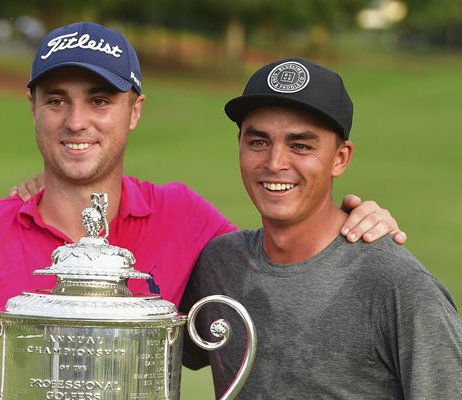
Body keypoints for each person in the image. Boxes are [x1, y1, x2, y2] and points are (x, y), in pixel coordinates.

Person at [0, 22, 404, 400]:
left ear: (134, 111)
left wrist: (355, 221)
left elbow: (281, 263)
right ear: (32, 107)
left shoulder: (186, 217)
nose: (76, 122)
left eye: (99, 101)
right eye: (56, 101)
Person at [180, 58, 462, 399]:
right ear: (239, 143)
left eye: (301, 145)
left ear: (340, 158)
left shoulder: (399, 286)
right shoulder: (219, 264)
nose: (275, 163)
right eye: (258, 142)